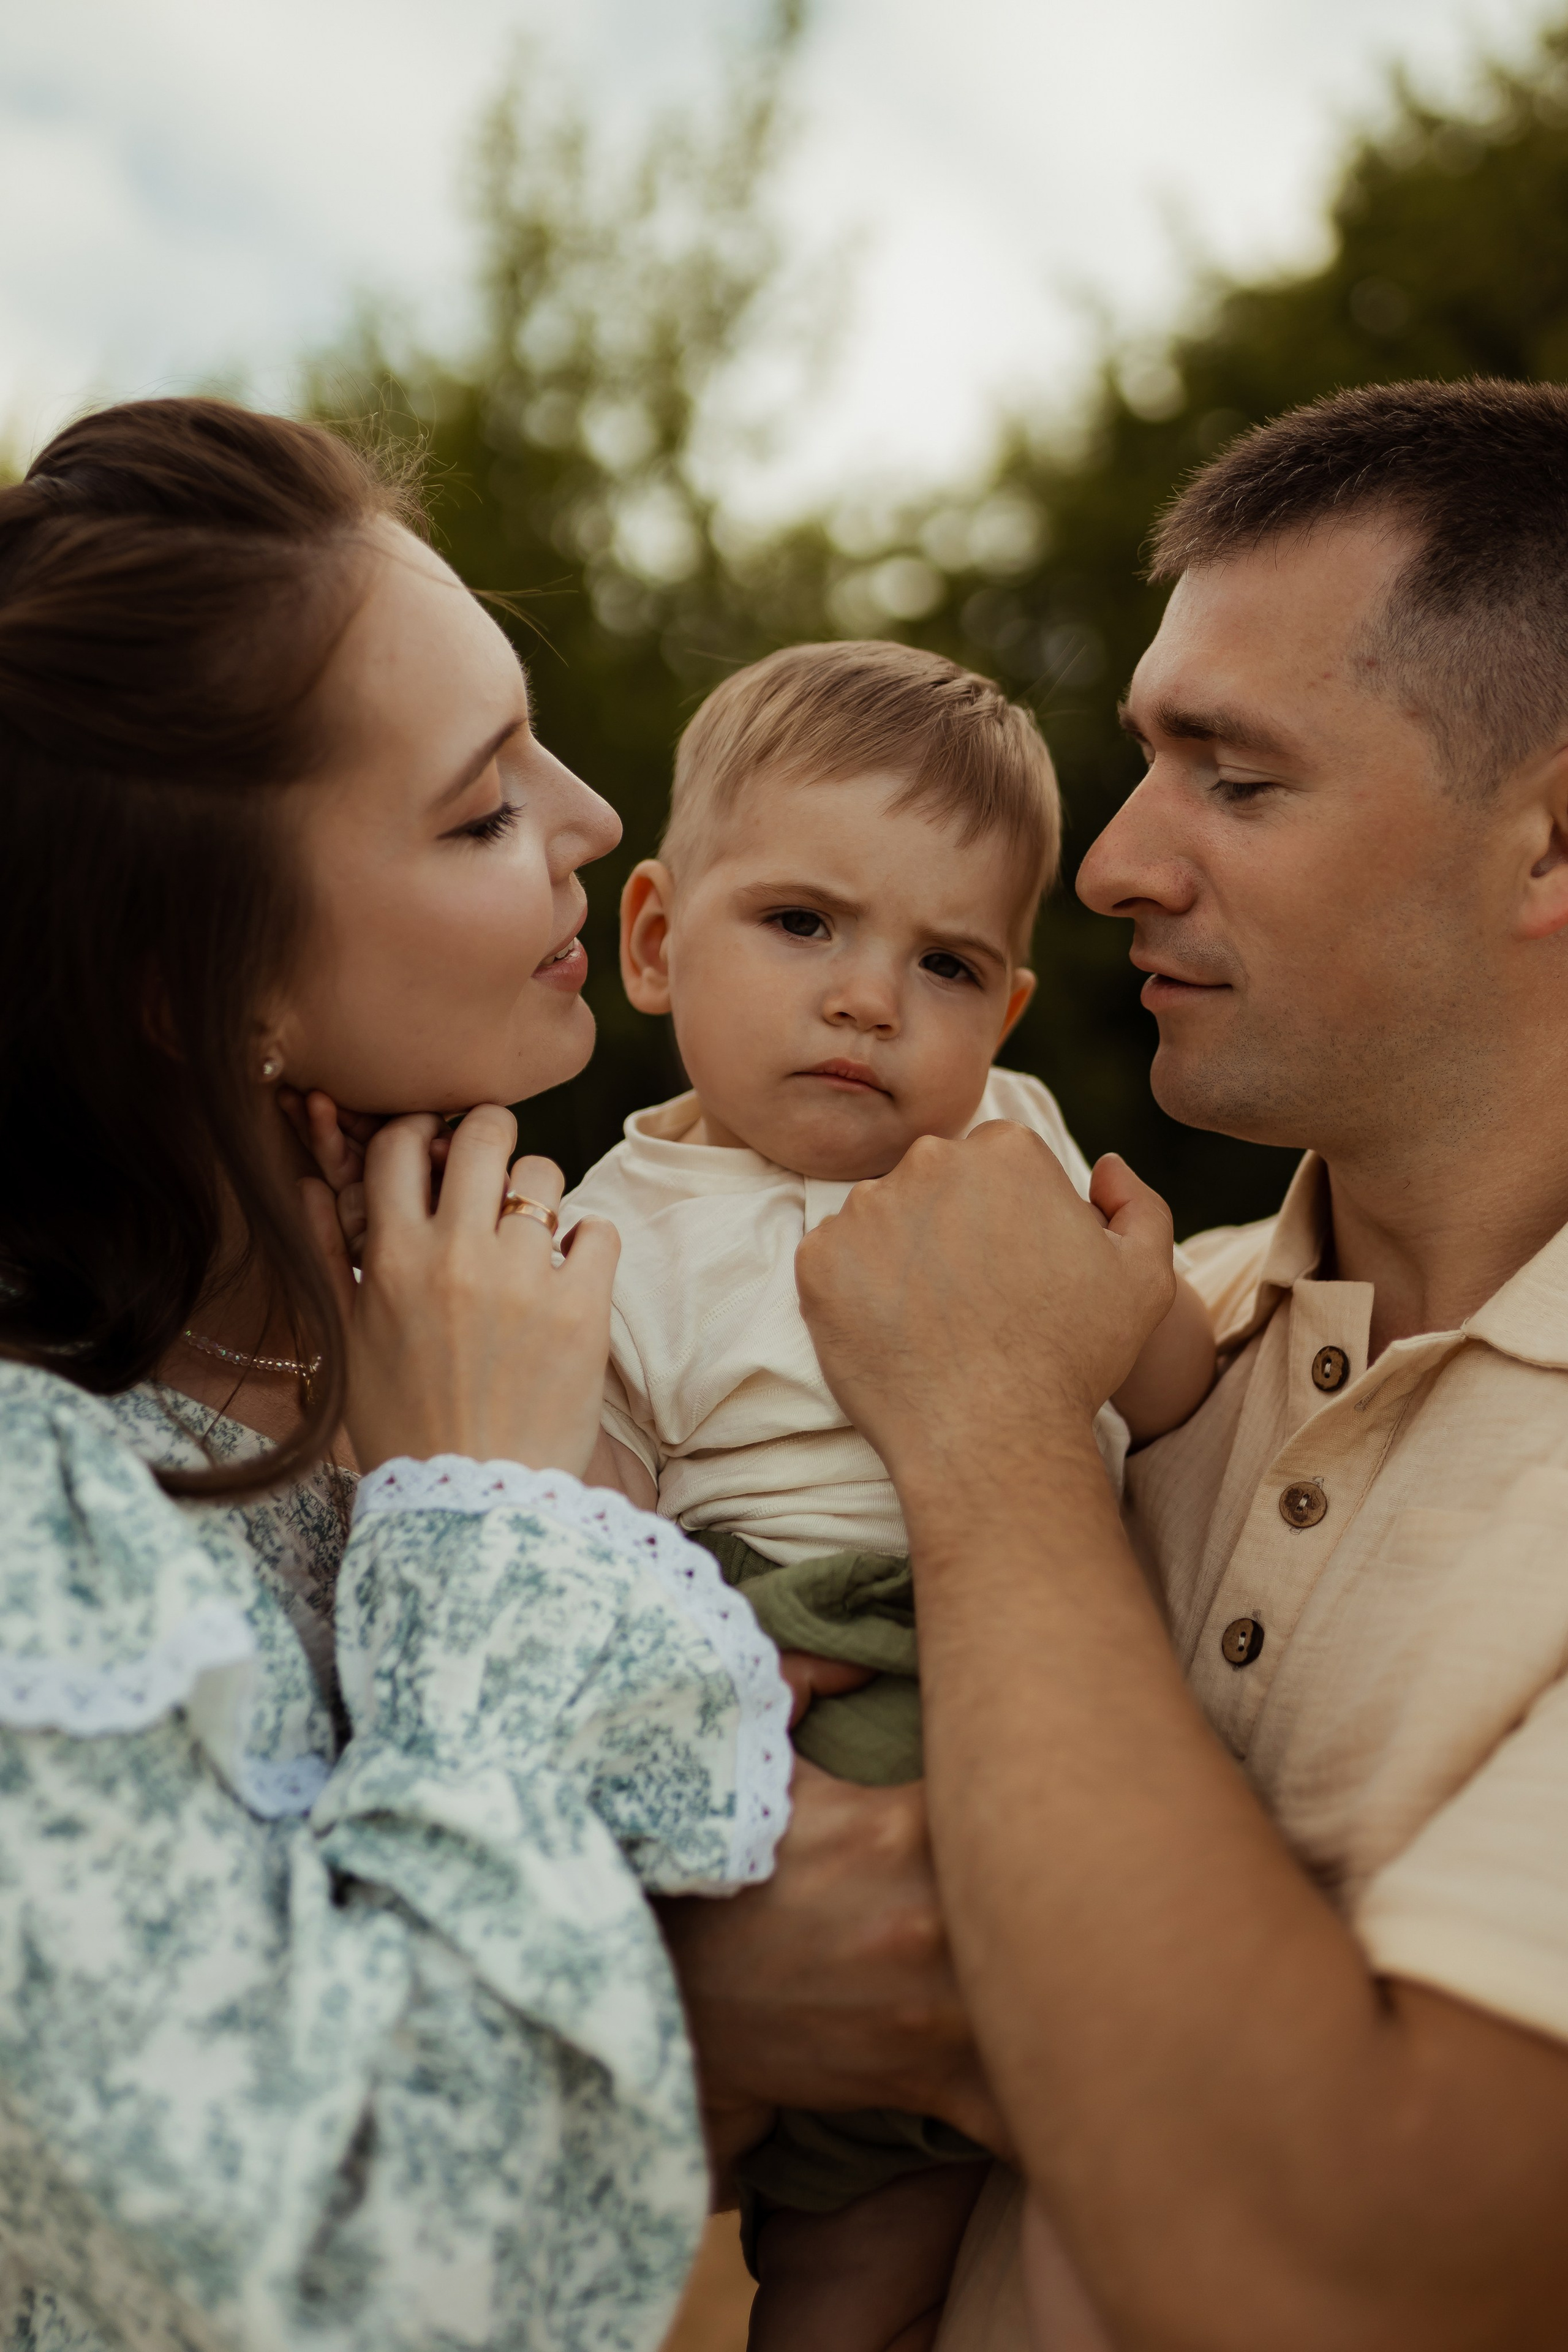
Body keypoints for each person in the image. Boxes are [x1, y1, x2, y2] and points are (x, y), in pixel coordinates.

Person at [715, 374, 1568, 2350]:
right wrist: (718, 1969)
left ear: (1549, 845)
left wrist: (1000, 1445)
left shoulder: (1000, 1374)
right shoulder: (1104, 1313)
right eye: (1142, 765)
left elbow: (1336, 2270)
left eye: (1235, 778)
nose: (1107, 868)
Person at [0, 396, 800, 2352]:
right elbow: (368, 2290)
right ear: (203, 988)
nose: (600, 820)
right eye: (483, 808)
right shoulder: (39, 1510)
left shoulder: (496, 1330)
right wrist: (485, 1526)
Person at [560, 639, 1214, 2350]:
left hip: (1033, 1633)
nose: (870, 1000)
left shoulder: (1013, 1147)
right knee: (837, 2223)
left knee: (943, 2228)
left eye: (945, 963)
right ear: (652, 940)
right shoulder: (614, 1230)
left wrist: (1148, 1302)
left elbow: (1169, 1395)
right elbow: (587, 1503)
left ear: (1000, 1013)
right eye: (803, 926)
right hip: (782, 1656)